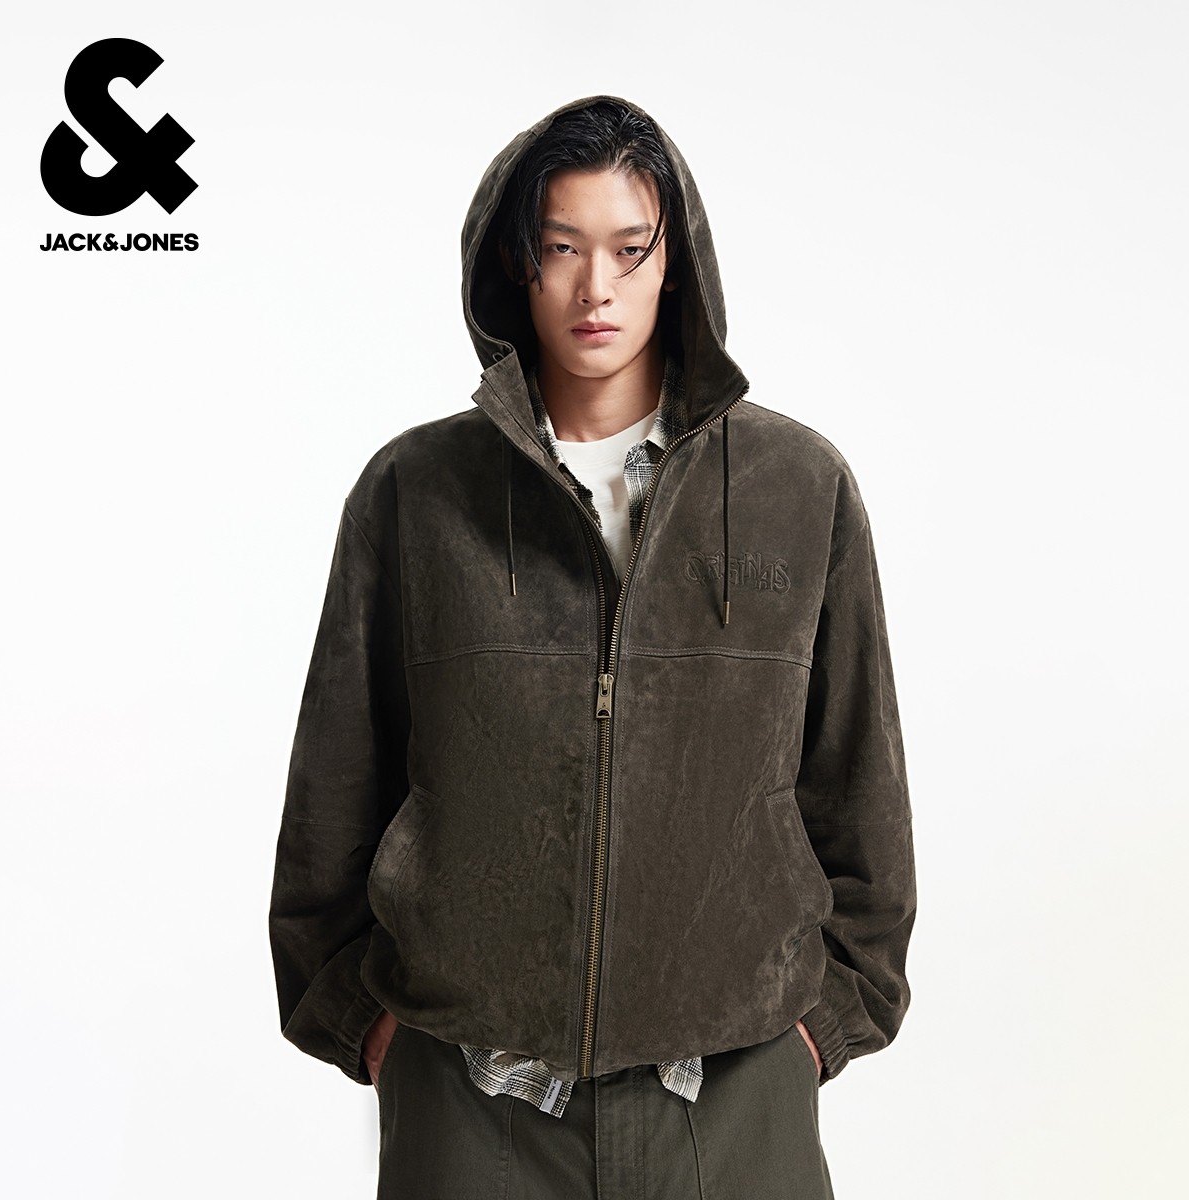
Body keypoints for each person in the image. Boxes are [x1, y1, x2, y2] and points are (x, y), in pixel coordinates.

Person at [269, 94, 916, 1199]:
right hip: (472, 1103)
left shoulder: (796, 489)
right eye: (561, 248)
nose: (595, 288)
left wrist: (826, 1019)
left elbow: (857, 777)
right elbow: (336, 780)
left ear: (677, 262)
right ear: (514, 265)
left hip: (734, 1096)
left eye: (628, 249)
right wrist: (358, 1014)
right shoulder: (415, 493)